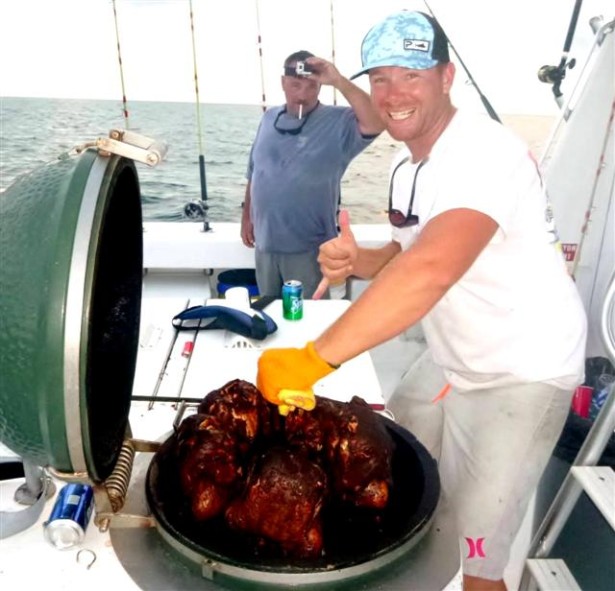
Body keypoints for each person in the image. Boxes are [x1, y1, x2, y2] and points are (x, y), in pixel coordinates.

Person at [256, 11, 587, 591]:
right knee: (399, 466)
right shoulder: (411, 167)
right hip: (451, 362)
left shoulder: (485, 153)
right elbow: (407, 254)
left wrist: (313, 360)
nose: (393, 93)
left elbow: (432, 269)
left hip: (521, 372)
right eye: (380, 78)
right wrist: (356, 261)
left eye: (411, 74)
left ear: (446, 76)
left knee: (477, 557)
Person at [240, 50, 384, 298]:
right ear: (283, 83)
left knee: (307, 323)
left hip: (311, 251)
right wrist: (246, 215)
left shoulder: (339, 122)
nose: (303, 95)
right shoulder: (268, 117)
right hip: (265, 247)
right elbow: (255, 171)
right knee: (269, 318)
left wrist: (338, 80)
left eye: (311, 87)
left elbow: (378, 121)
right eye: (296, 85)